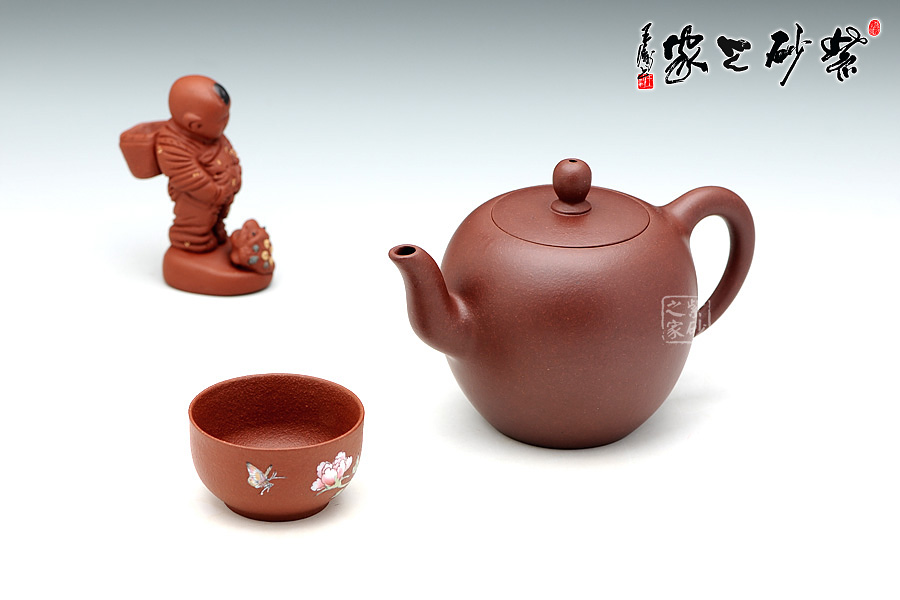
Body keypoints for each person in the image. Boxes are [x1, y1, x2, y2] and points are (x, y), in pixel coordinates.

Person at [156, 75, 242, 252]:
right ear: (194, 124)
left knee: (216, 219)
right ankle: (192, 243)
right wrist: (216, 192)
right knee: (196, 223)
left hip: (221, 196)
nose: (227, 122)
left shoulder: (211, 134)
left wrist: (235, 176)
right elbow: (188, 176)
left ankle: (215, 231)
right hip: (196, 201)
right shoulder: (172, 144)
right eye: (222, 119)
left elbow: (230, 154)